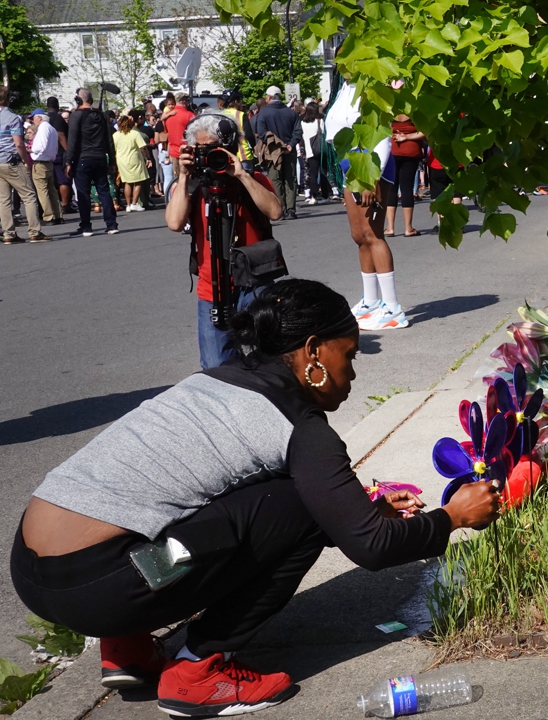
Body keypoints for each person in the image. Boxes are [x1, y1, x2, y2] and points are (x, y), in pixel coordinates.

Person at [10, 278, 501, 717]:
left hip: (33, 572)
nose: (352, 374)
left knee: (224, 493)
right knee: (303, 508)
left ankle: (127, 648)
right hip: (102, 586)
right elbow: (372, 547)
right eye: (348, 356)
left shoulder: (211, 381)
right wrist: (452, 517)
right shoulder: (299, 426)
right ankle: (199, 670)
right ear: (313, 352)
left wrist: (355, 511)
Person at [166, 113, 283, 368]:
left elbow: (275, 211)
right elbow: (174, 223)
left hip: (254, 282)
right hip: (212, 286)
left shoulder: (250, 180)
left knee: (267, 361)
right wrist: (184, 175)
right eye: (201, 150)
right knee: (216, 366)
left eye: (214, 149)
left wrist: (241, 175)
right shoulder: (192, 185)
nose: (209, 158)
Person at [326, 81, 408, 330]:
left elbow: (379, 135)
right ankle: (371, 301)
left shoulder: (370, 88)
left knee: (373, 235)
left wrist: (372, 179)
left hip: (370, 166)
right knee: (359, 236)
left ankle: (393, 308)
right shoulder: (343, 88)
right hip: (350, 165)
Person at [0, 86, 51, 244]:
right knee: (29, 196)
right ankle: (34, 231)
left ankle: (9, 233)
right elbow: (19, 143)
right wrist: (24, 160)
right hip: (12, 160)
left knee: (4, 200)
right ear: (8, 99)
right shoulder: (12, 118)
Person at [66, 88, 119, 237]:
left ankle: (86, 226)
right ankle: (111, 224)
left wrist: (68, 161)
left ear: (78, 100)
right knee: (104, 191)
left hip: (83, 157)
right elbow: (109, 140)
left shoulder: (77, 116)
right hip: (100, 156)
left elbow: (73, 140)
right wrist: (112, 160)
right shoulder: (101, 115)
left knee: (83, 193)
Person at [254, 86, 302, 220]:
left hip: (272, 151)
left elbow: (262, 133)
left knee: (275, 180)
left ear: (268, 97)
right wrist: (290, 145)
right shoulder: (291, 112)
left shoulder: (263, 113)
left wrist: (277, 144)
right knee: (290, 179)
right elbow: (298, 132)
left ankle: (280, 208)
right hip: (289, 150)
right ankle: (291, 210)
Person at [385, 114, 424, 237]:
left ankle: (390, 228)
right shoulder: (413, 109)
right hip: (411, 151)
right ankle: (408, 228)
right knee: (407, 188)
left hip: (392, 151)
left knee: (392, 188)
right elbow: (424, 131)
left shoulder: (389, 110)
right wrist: (407, 136)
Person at [28, 110, 62, 226]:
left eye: (33, 118)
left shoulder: (42, 128)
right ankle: (58, 215)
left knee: (42, 191)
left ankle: (48, 216)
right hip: (49, 162)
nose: (32, 120)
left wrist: (30, 149)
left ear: (39, 118)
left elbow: (40, 146)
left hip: (40, 162)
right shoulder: (51, 128)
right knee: (52, 190)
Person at [112, 115, 151, 212]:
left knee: (127, 182)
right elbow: (143, 147)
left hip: (121, 160)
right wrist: (148, 158)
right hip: (134, 159)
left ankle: (128, 205)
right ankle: (134, 203)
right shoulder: (134, 134)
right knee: (138, 182)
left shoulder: (115, 135)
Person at [43, 97, 73, 217]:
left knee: (50, 182)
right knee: (63, 180)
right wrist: (68, 150)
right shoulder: (58, 118)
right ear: (57, 105)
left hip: (47, 153)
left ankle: (51, 206)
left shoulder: (44, 119)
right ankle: (65, 205)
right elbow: (61, 135)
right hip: (59, 152)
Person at [217, 89, 257, 173]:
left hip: (225, 156)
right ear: (235, 101)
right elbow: (249, 135)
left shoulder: (219, 115)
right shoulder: (241, 115)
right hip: (242, 154)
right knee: (246, 182)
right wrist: (253, 147)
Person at [300, 102, 329, 205]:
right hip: (320, 149)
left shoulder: (303, 122)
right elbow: (324, 132)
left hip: (309, 150)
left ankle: (314, 196)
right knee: (323, 172)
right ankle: (325, 195)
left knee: (313, 174)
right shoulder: (319, 120)